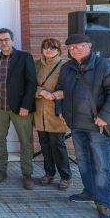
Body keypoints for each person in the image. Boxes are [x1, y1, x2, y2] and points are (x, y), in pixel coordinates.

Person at [54, 33, 110, 218]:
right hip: (76, 124)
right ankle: (89, 191)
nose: (75, 49)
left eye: (79, 46)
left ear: (89, 46)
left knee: (102, 166)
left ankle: (103, 202)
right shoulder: (67, 67)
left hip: (97, 127)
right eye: (71, 47)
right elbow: (60, 90)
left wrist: (105, 116)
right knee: (83, 161)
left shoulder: (105, 66)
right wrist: (60, 110)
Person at [0, 28, 38, 190]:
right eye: (0, 40)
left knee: (25, 141)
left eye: (6, 39)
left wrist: (26, 105)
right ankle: (1, 169)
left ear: (13, 40)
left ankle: (27, 174)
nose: (3, 43)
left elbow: (32, 83)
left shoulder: (24, 57)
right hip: (0, 107)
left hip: (20, 108)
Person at [34, 37, 72, 190]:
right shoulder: (37, 64)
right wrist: (42, 92)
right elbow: (30, 84)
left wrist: (59, 94)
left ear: (59, 50)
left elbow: (71, 87)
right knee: (45, 145)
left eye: (52, 48)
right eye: (45, 47)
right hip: (39, 111)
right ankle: (49, 173)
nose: (48, 51)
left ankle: (65, 176)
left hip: (56, 111)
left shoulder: (66, 66)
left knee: (58, 145)